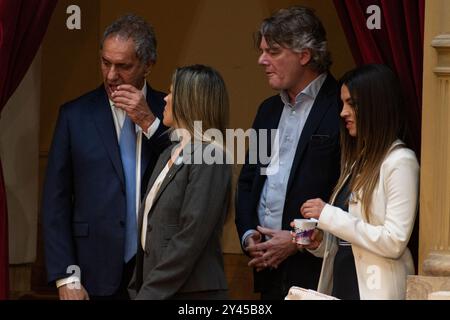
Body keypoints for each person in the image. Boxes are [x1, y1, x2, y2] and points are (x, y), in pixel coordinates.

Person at [42, 14, 170, 300]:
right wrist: (66, 275)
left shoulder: (171, 111)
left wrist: (150, 124)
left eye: (123, 66)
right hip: (91, 271)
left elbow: (191, 170)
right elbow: (56, 201)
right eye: (105, 62)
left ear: (148, 65)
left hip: (159, 270)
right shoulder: (74, 116)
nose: (111, 75)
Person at [235, 6, 341, 300]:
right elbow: (248, 181)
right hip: (266, 268)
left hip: (317, 271)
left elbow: (349, 196)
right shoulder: (267, 111)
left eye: (273, 52)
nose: (262, 60)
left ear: (304, 55)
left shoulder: (342, 107)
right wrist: (248, 235)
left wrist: (297, 240)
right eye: (262, 51)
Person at [298, 64, 419, 300]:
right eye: (343, 103)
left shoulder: (400, 161)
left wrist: (328, 215)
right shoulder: (358, 161)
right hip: (344, 285)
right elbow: (349, 243)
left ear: (376, 106)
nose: (343, 112)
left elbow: (394, 242)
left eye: (351, 103)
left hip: (377, 291)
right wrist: (320, 243)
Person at [129, 65, 231, 300]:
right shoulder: (169, 153)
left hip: (193, 293)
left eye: (172, 92)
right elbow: (151, 228)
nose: (165, 98)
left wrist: (149, 294)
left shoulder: (211, 156)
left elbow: (190, 236)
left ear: (189, 101)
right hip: (157, 289)